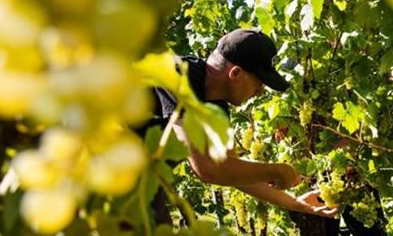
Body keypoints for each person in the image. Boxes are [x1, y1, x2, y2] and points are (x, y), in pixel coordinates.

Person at [144, 28, 339, 223]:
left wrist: (296, 203)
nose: (260, 92)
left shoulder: (216, 104)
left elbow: (232, 171)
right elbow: (209, 169)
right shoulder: (178, 75)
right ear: (236, 74)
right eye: (259, 84)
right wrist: (275, 171)